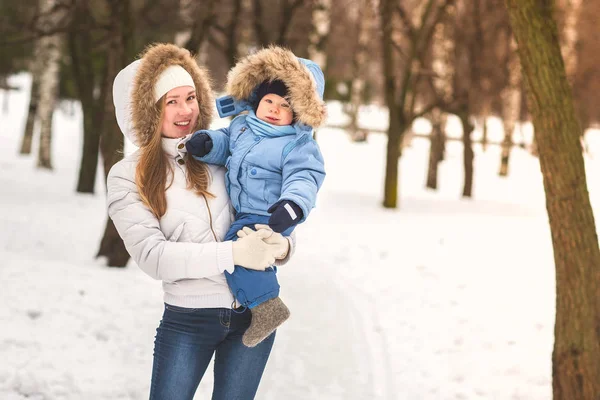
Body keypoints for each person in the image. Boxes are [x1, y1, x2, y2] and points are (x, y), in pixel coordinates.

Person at [107, 43, 296, 400]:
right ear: (147, 111)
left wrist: (284, 245)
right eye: (171, 101)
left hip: (255, 316)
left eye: (190, 97)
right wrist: (233, 254)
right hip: (188, 321)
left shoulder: (223, 152)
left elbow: (267, 214)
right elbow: (154, 257)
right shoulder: (127, 176)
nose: (185, 111)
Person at [185, 46, 326, 347]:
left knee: (237, 248)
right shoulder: (241, 127)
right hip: (248, 211)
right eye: (269, 101)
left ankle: (267, 306)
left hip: (272, 213)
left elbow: (305, 177)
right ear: (256, 101)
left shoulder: (297, 145)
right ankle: (262, 305)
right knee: (243, 253)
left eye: (285, 105)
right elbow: (225, 145)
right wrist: (206, 144)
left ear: (299, 112)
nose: (274, 109)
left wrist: (292, 206)